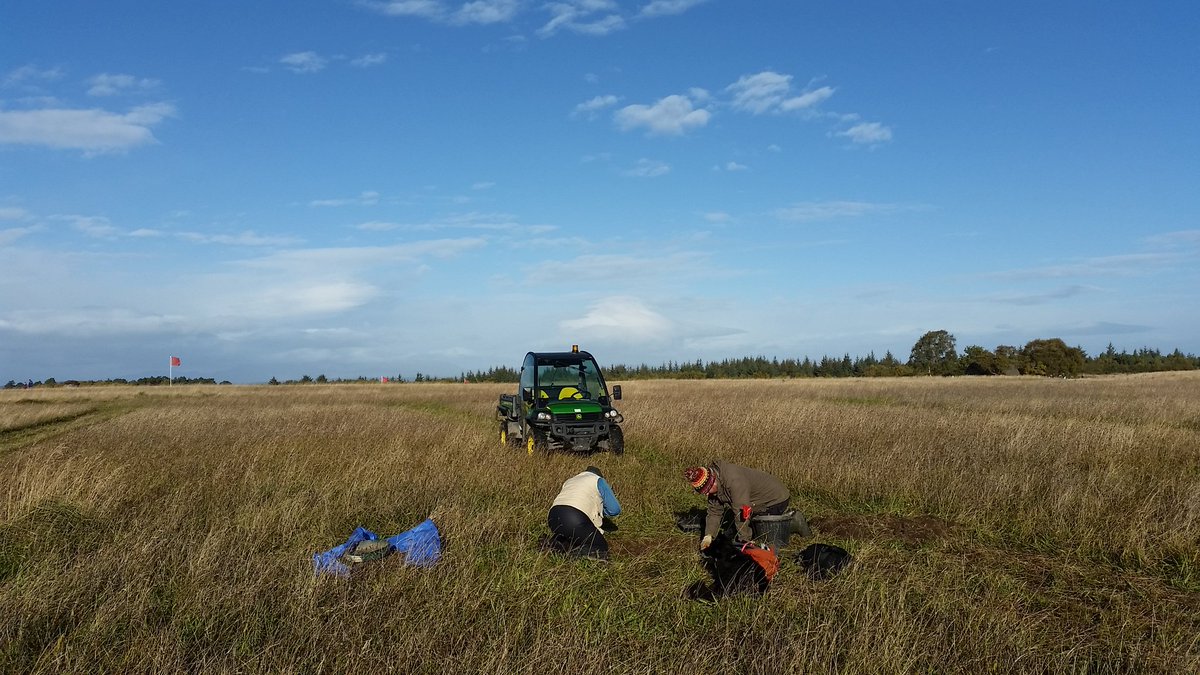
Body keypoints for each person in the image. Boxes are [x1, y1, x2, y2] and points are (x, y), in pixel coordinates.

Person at [684, 461, 790, 550]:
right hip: (752, 500)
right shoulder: (714, 482)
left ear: (713, 481)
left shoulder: (735, 482)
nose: (707, 494)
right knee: (731, 532)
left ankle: (792, 520)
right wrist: (709, 535)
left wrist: (744, 541)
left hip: (776, 499)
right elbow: (714, 511)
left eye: (708, 490)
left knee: (764, 534)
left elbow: (742, 511)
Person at [547, 466, 621, 560]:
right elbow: (615, 510)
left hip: (553, 516)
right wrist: (600, 511)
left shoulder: (570, 480)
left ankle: (553, 545)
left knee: (570, 538)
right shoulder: (598, 480)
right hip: (575, 516)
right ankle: (573, 557)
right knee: (600, 546)